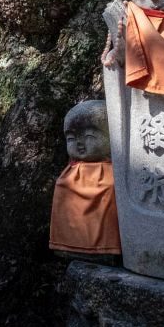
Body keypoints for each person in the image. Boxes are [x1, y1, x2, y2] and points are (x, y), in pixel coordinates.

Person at [49, 100, 121, 260]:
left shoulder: (114, 170)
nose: (79, 143)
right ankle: (67, 244)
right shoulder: (70, 171)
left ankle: (106, 247)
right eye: (71, 139)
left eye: (88, 136)